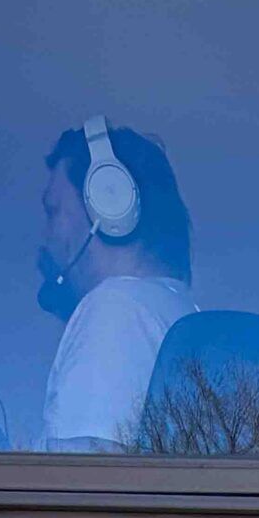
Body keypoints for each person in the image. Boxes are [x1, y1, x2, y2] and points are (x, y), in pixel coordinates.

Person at [36, 119, 197, 452]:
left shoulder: (116, 312)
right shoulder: (170, 314)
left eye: (53, 211)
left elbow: (80, 488)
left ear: (109, 203)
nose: (46, 237)